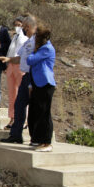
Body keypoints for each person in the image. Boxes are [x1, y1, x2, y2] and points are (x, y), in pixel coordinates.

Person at [0, 15, 37, 144]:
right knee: (19, 104)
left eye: (24, 26)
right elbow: (20, 57)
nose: (22, 29)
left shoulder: (38, 41)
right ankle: (16, 134)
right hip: (25, 74)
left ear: (29, 26)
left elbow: (35, 59)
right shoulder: (26, 41)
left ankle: (36, 138)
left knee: (35, 107)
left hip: (34, 76)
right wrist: (8, 60)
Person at [26, 24, 56, 152]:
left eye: (36, 36)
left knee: (44, 113)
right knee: (36, 111)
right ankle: (37, 138)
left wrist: (32, 52)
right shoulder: (41, 48)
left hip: (45, 83)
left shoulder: (46, 49)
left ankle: (47, 142)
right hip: (37, 83)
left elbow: (30, 60)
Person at [3, 17, 29, 130]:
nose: (17, 27)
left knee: (21, 94)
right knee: (12, 94)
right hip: (11, 65)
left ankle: (24, 119)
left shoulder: (27, 38)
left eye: (20, 25)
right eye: (16, 25)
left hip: (20, 66)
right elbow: (11, 51)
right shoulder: (15, 37)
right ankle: (12, 118)